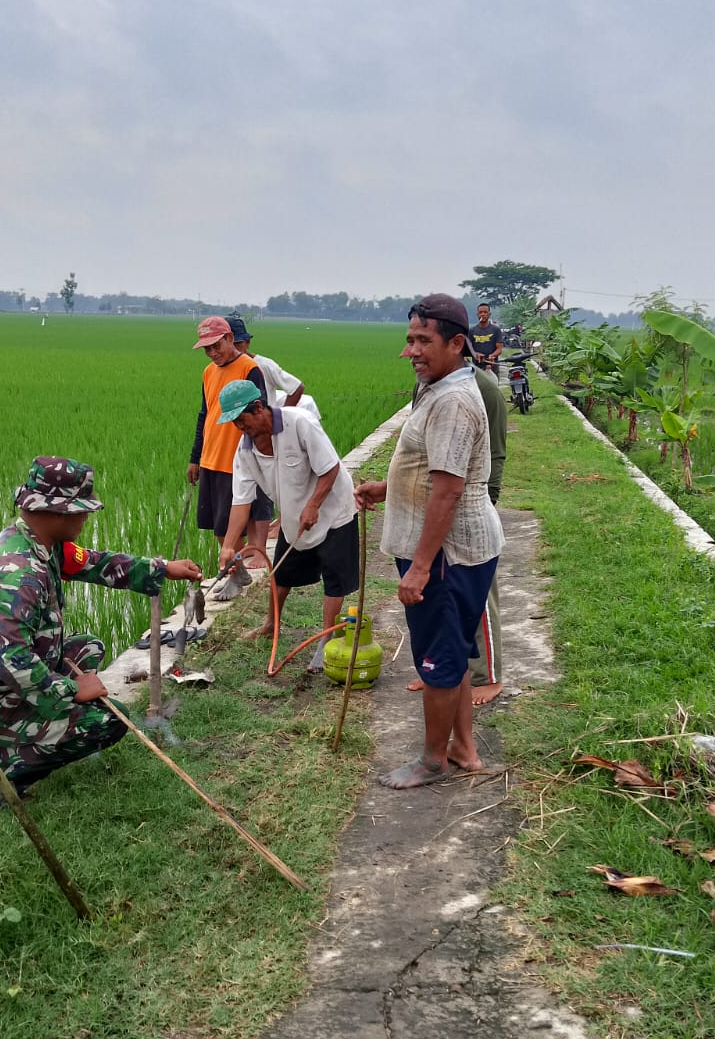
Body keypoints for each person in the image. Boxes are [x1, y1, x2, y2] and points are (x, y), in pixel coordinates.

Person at [0, 458, 202, 804]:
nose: (86, 519)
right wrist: (71, 690)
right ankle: (2, 767)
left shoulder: (41, 543)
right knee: (110, 721)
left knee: (89, 649)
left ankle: (37, 733)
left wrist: (161, 568)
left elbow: (96, 563)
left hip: (1, 679)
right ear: (57, 513)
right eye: (81, 511)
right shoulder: (21, 574)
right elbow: (12, 663)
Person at [355, 294, 505, 789]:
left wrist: (420, 566)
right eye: (409, 339)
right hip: (453, 551)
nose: (412, 350)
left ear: (457, 344)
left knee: (438, 659)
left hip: (448, 555)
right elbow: (432, 472)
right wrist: (388, 487)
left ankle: (432, 761)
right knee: (454, 650)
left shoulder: (453, 402)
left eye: (424, 340)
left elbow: (448, 490)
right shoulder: (436, 387)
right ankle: (463, 748)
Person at [216, 379, 358, 664]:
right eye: (234, 423)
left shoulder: (299, 423)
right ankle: (271, 626)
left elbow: (330, 469)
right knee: (280, 577)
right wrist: (229, 546)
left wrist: (314, 505)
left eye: (242, 420)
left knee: (334, 580)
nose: (239, 429)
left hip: (334, 512)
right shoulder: (244, 452)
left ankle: (326, 639)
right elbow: (241, 501)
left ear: (258, 408)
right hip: (296, 518)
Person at [405, 361, 507, 704]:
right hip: (434, 500)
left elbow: (494, 450)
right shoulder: (428, 384)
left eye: (423, 340)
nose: (411, 352)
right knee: (439, 600)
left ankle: (488, 675)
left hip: (470, 504)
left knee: (476, 599)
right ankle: (440, 672)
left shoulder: (482, 389)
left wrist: (486, 499)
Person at [189, 316, 271, 598]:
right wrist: (195, 457)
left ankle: (236, 576)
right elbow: (205, 414)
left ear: (228, 338)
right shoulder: (208, 372)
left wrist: (259, 455)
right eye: (206, 349)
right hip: (211, 456)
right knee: (217, 526)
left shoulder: (249, 368)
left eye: (216, 346)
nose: (212, 353)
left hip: (235, 458)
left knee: (228, 524)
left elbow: (261, 413)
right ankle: (239, 572)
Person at [226, 313, 321, 422]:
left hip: (262, 428)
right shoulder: (219, 369)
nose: (233, 348)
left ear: (247, 343)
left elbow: (296, 388)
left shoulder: (263, 365)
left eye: (237, 343)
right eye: (229, 344)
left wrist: (280, 419)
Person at [469, 302, 503, 369]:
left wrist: (492, 355)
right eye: (480, 312)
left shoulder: (496, 329)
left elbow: (499, 349)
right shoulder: (472, 331)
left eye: (485, 312)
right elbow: (469, 348)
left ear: (489, 314)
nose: (483, 314)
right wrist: (476, 354)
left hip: (492, 366)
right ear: (477, 314)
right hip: (477, 367)